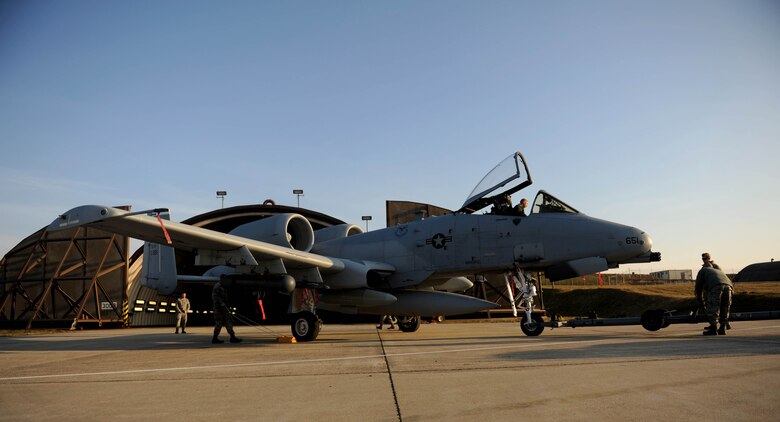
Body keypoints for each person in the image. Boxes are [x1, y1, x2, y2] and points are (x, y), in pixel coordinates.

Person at [695, 262, 733, 335]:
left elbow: (698, 286)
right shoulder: (718, 270)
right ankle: (722, 328)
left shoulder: (702, 271)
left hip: (716, 286)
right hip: (729, 286)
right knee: (725, 307)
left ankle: (713, 328)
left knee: (713, 306)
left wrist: (699, 299)